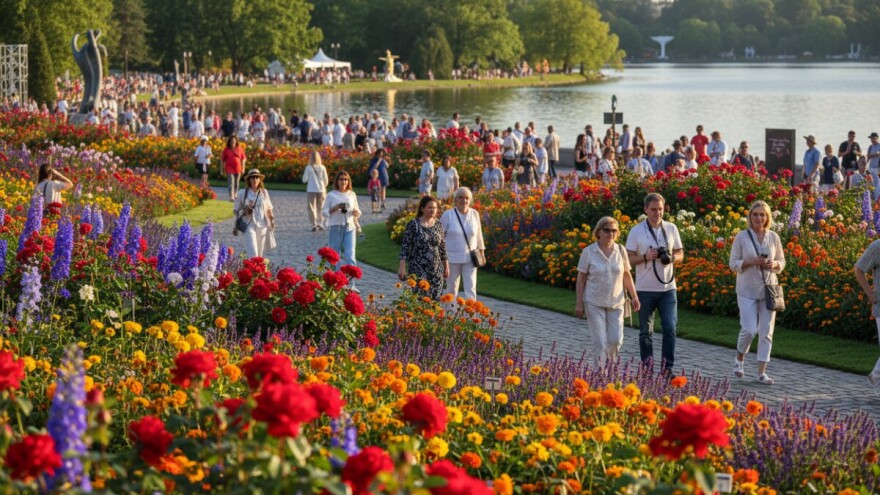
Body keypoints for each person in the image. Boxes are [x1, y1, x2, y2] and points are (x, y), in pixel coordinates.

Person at [626, 193, 684, 374]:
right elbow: (627, 259)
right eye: (653, 209)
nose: (657, 213)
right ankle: (647, 369)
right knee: (646, 332)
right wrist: (645, 257)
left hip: (668, 289)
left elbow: (681, 254)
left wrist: (672, 257)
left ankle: (667, 369)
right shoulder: (636, 231)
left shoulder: (671, 228)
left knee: (670, 329)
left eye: (660, 209)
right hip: (644, 289)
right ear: (645, 210)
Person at [729, 200, 786, 385]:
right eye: (755, 214)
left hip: (769, 289)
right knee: (749, 329)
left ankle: (761, 373)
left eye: (762, 214)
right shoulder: (742, 237)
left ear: (767, 217)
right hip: (746, 289)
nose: (759, 218)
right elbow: (733, 263)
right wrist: (751, 262)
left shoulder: (774, 237)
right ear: (750, 216)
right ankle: (739, 359)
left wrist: (775, 264)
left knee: (766, 331)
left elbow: (782, 261)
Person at [575, 216, 640, 368]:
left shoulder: (621, 250)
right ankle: (599, 374)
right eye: (607, 230)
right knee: (599, 341)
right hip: (594, 302)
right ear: (598, 231)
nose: (610, 233)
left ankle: (610, 369)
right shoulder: (589, 252)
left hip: (616, 303)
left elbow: (626, 275)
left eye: (614, 231)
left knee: (615, 340)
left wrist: (634, 296)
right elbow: (581, 279)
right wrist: (579, 303)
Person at [398, 196, 450, 300]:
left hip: (436, 270)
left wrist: (446, 266)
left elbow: (442, 247)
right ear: (422, 209)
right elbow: (405, 247)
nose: (433, 210)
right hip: (418, 268)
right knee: (420, 298)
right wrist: (402, 266)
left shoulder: (438, 225)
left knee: (435, 301)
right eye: (429, 208)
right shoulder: (414, 225)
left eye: (435, 208)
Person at [440, 187, 485, 301]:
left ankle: (471, 315)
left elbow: (479, 235)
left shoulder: (475, 214)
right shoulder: (448, 215)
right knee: (451, 289)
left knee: (471, 288)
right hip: (452, 258)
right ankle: (448, 315)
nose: (464, 201)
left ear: (470, 200)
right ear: (455, 200)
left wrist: (482, 253)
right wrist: (441, 258)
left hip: (470, 258)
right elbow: (440, 238)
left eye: (466, 198)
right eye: (461, 197)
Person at [323, 171, 362, 290]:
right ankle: (337, 283)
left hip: (350, 227)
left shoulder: (352, 194)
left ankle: (351, 284)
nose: (343, 182)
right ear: (337, 181)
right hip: (336, 227)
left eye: (346, 179)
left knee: (350, 255)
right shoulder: (331, 195)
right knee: (335, 256)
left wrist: (356, 212)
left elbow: (358, 210)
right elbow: (324, 212)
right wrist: (335, 208)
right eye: (341, 179)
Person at [854, 240, 880, 395]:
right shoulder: (877, 247)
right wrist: (870, 294)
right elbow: (859, 269)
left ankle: (876, 375)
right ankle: (877, 378)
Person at [233, 169, 275, 259]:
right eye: (252, 177)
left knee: (260, 254)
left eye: (257, 177)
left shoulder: (264, 192)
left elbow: (268, 208)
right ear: (249, 180)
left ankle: (257, 272)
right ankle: (251, 271)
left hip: (262, 225)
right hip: (248, 224)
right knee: (253, 252)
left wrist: (272, 220)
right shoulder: (243, 193)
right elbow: (236, 210)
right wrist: (245, 210)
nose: (255, 180)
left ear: (260, 179)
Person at [302, 150, 328, 231]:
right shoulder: (323, 167)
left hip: (311, 189)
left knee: (311, 208)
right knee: (321, 207)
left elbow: (304, 180)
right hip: (321, 190)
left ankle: (314, 224)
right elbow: (326, 181)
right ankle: (320, 223)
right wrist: (323, 186)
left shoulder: (308, 167)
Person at [221, 136, 246, 201]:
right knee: (231, 182)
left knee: (237, 183)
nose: (233, 143)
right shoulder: (226, 149)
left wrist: (243, 168)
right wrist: (222, 168)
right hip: (229, 168)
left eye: (234, 141)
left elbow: (243, 158)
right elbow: (222, 159)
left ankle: (235, 194)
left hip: (238, 168)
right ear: (229, 142)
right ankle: (231, 196)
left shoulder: (240, 149)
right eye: (231, 141)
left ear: (236, 142)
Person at [867, 132, 880, 200]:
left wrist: (875, 155)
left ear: (877, 138)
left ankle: (877, 199)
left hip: (878, 169)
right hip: (871, 169)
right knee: (872, 184)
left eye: (873, 138)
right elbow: (868, 156)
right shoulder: (870, 147)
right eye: (871, 138)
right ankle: (873, 199)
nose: (872, 140)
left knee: (878, 185)